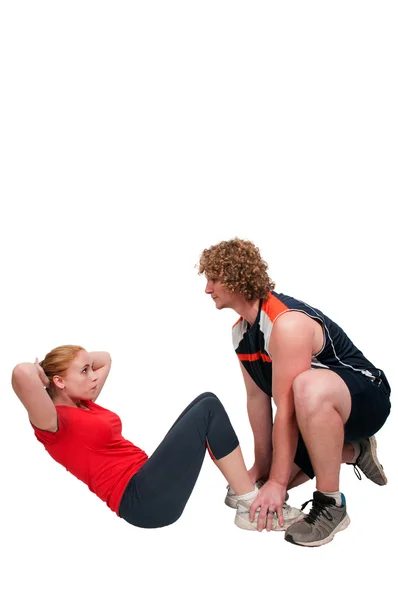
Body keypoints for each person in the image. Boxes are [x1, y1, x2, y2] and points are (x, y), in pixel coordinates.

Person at [197, 237, 391, 547]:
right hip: (315, 415)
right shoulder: (240, 333)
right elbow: (257, 399)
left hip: (366, 397)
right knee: (255, 490)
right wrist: (263, 469)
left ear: (236, 278)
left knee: (305, 387)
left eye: (214, 279)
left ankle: (331, 505)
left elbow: (285, 408)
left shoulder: (285, 323)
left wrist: (277, 480)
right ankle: (355, 451)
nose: (208, 289)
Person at [12, 345, 303, 530]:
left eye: (90, 371)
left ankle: (240, 492)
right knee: (209, 409)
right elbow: (20, 373)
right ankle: (250, 504)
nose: (93, 376)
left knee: (206, 400)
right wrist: (41, 373)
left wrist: (74, 365)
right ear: (59, 382)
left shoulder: (84, 403)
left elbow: (105, 357)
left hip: (146, 480)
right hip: (140, 499)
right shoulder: (51, 423)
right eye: (84, 371)